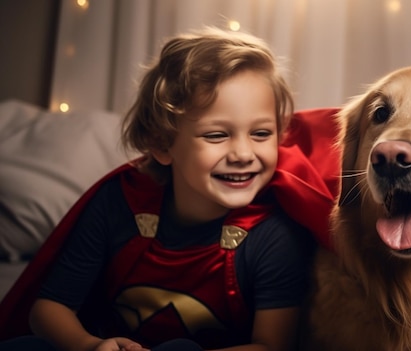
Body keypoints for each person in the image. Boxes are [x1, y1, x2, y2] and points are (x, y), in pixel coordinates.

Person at [0, 26, 328, 351]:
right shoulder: (119, 201)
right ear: (161, 143)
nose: (243, 154)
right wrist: (89, 345)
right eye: (216, 135)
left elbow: (271, 346)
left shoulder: (273, 235)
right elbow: (48, 309)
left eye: (260, 134)